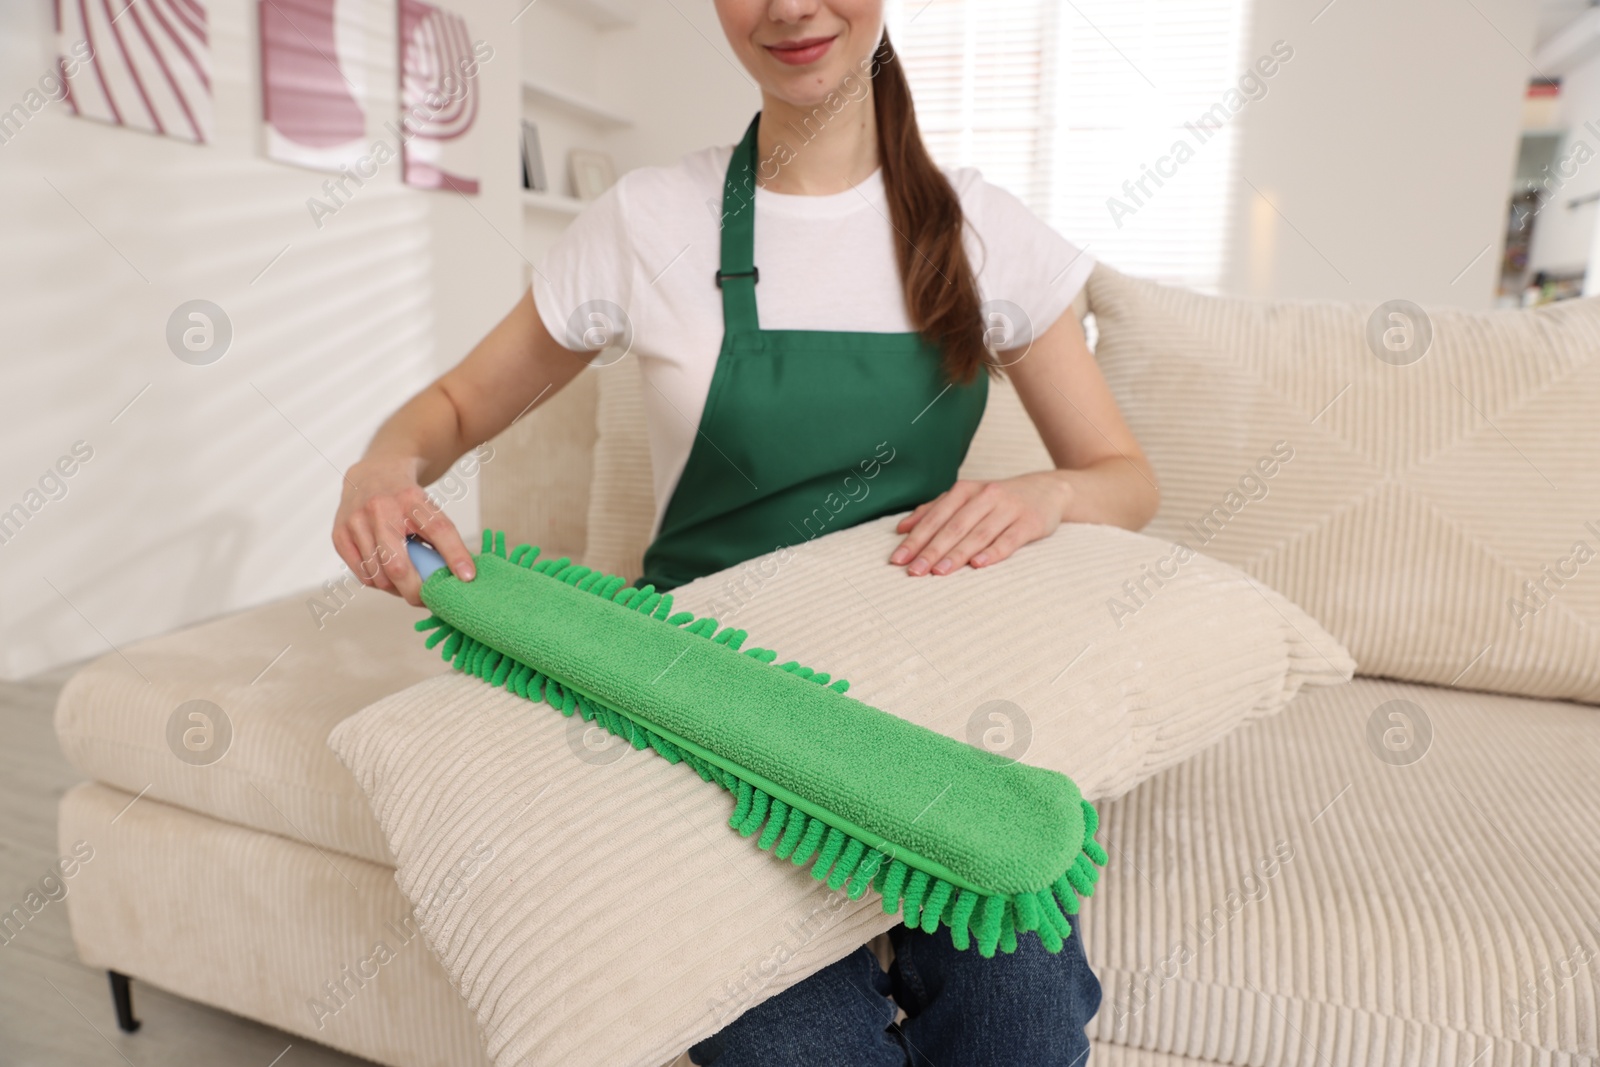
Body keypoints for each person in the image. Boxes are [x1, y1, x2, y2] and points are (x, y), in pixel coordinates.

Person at [332, 2, 1158, 1061]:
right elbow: (451, 405)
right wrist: (380, 466)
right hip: (697, 708)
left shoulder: (981, 230)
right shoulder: (647, 221)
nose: (788, 7)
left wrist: (1049, 495)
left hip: (917, 705)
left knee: (1023, 1021)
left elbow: (1123, 478)